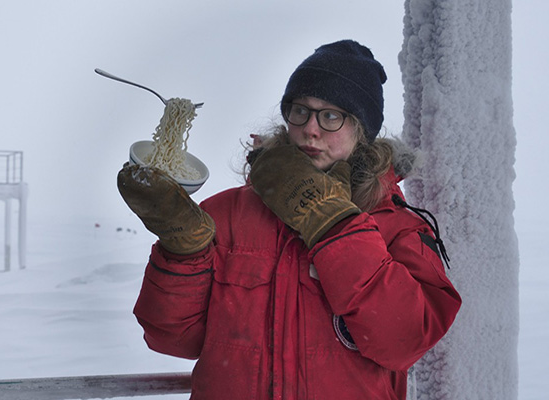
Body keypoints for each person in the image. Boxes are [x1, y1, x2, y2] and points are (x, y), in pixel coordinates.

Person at [117, 39, 461, 400]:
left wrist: (329, 220)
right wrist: (183, 252)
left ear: (362, 130)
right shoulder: (227, 215)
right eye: (300, 111)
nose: (311, 128)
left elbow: (402, 341)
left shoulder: (396, 226)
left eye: (331, 116)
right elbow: (171, 337)